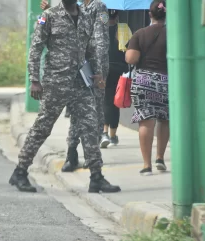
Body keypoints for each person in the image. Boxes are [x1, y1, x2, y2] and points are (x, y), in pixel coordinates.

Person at [9, 0, 121, 193]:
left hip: (81, 82)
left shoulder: (86, 16)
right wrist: (34, 80)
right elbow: (36, 48)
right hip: (56, 82)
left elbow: (91, 48)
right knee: (42, 127)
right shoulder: (50, 16)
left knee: (90, 125)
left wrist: (99, 73)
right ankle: (20, 171)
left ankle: (96, 176)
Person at [41, 0, 110, 172]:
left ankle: (91, 157)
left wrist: (99, 72)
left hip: (92, 68)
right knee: (77, 111)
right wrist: (50, 11)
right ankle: (72, 154)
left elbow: (100, 42)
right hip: (77, 67)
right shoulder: (78, 8)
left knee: (94, 113)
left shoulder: (99, 7)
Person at [125, 0, 168, 176]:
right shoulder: (173, 34)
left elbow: (131, 59)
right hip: (167, 81)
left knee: (146, 121)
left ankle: (146, 165)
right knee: (165, 119)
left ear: (150, 14)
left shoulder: (140, 34)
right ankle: (160, 158)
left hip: (143, 81)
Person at [99, 10, 129, 148]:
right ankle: (112, 135)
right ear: (117, 16)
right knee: (116, 101)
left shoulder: (100, 29)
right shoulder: (123, 28)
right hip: (120, 69)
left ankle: (104, 132)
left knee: (106, 99)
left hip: (104, 68)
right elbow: (129, 48)